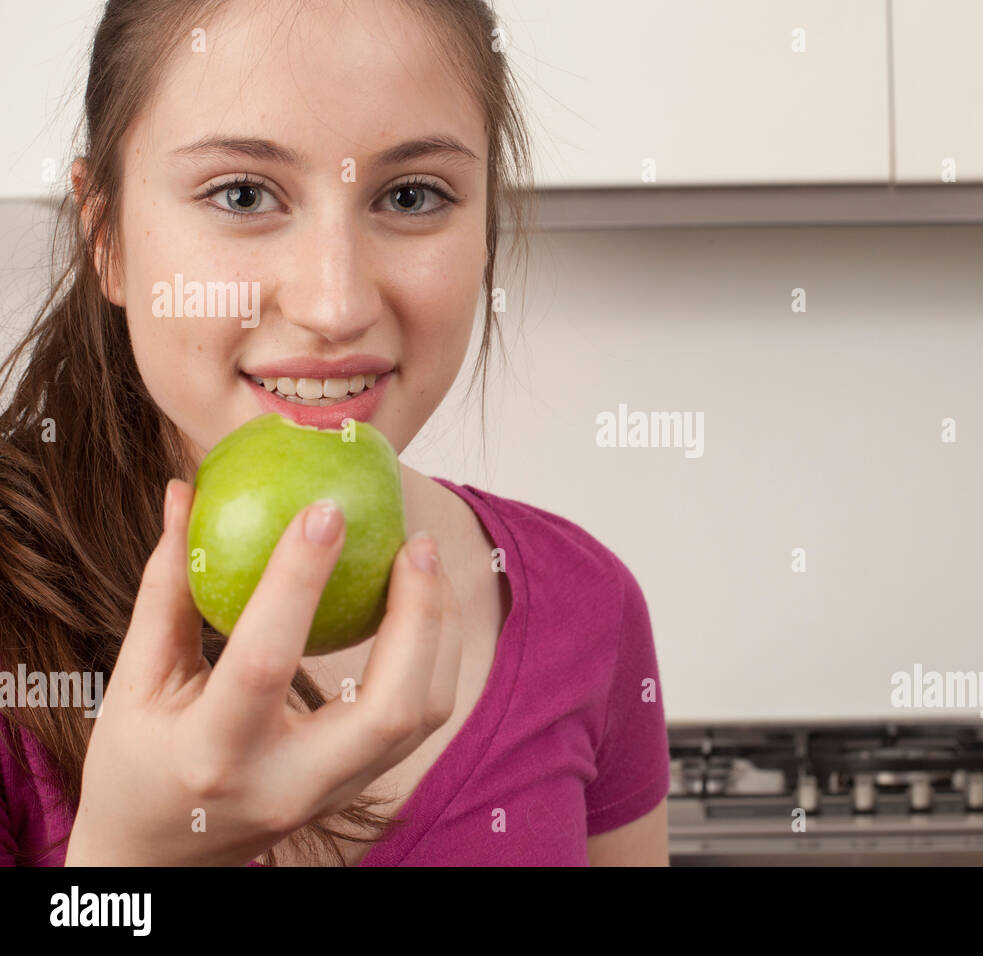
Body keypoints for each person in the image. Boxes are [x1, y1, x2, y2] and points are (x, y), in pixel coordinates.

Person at [0, 0, 669, 866]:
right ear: (107, 236)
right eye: (242, 194)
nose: (335, 304)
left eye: (410, 195)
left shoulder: (590, 609)